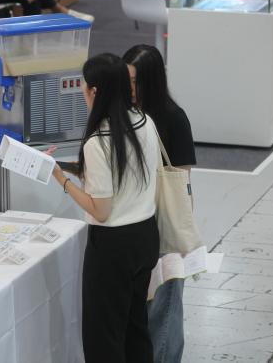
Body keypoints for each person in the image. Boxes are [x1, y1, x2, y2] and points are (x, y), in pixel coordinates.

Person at [49, 53, 160, 362]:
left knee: (103, 339)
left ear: (95, 91)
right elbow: (126, 175)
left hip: (113, 248)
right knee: (135, 328)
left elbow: (101, 210)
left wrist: (62, 180)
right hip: (146, 236)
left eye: (84, 88)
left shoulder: (98, 141)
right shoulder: (144, 121)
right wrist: (74, 170)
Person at [123, 44, 196, 363]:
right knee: (138, 313)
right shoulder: (125, 114)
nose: (130, 88)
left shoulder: (173, 119)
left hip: (164, 228)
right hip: (130, 226)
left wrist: (183, 230)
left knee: (164, 313)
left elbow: (182, 184)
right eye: (125, 79)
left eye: (136, 81)